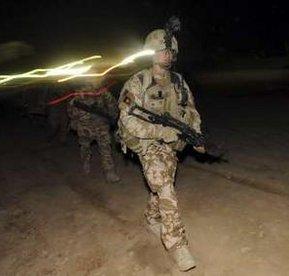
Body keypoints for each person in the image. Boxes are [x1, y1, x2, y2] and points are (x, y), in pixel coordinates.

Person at [117, 28, 205, 271]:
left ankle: (150, 217)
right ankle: (177, 244)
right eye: (160, 50)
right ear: (150, 53)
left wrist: (195, 133)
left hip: (172, 144)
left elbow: (192, 111)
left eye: (170, 51)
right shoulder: (138, 82)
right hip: (146, 143)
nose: (166, 55)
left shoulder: (179, 82)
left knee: (163, 183)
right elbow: (127, 119)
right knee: (165, 186)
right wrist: (159, 132)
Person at [68, 79, 121, 183]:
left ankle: (107, 171)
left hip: (93, 127)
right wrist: (112, 119)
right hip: (91, 126)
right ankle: (108, 172)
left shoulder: (79, 94)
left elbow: (71, 112)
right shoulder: (102, 93)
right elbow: (114, 108)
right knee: (94, 147)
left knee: (98, 147)